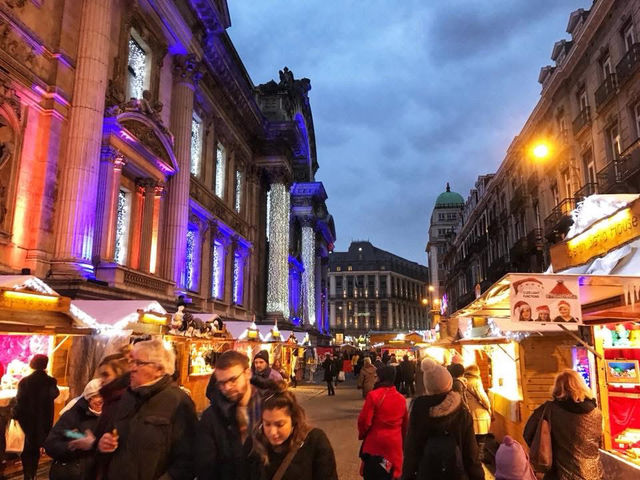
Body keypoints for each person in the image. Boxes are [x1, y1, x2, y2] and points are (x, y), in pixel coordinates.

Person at [96, 339, 197, 480]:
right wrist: (103, 444)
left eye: (139, 363)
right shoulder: (128, 396)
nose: (132, 368)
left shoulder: (178, 402)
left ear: (159, 369)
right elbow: (112, 437)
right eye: (132, 362)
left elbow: (187, 459)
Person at [402, 362, 484, 480]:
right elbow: (471, 456)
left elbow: (411, 452)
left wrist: (407, 476)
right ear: (448, 383)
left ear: (428, 387)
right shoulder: (461, 412)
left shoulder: (418, 411)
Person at [523, 369, 603, 479]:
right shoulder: (596, 413)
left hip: (559, 474)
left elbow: (528, 433)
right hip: (593, 474)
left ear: (558, 388)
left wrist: (547, 448)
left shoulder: (549, 410)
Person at [197, 350, 265, 480]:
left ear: (247, 374)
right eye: (222, 383)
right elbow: (206, 469)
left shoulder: (269, 408)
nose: (227, 387)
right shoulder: (211, 418)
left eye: (233, 379)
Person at [247, 387, 337, 480]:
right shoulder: (254, 444)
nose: (273, 432)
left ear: (293, 420)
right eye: (267, 424)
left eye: (279, 425)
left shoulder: (315, 441)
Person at [44, 379, 103, 480]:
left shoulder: (111, 416)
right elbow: (51, 444)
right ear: (88, 398)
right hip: (74, 473)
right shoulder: (73, 415)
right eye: (97, 397)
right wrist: (72, 446)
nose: (101, 401)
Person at [14, 354, 59, 480]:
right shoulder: (51, 381)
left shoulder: (25, 382)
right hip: (43, 421)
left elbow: (19, 401)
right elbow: (55, 394)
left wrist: (14, 415)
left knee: (27, 451)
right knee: (36, 449)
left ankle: (28, 475)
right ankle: (33, 474)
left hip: (27, 421)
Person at [358, 366, 408, 479]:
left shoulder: (373, 395)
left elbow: (364, 421)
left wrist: (363, 434)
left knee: (376, 472)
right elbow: (405, 424)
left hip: (377, 445)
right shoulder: (401, 398)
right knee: (391, 473)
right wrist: (403, 442)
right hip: (394, 445)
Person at [91, 353, 131, 479]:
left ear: (120, 375)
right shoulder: (110, 401)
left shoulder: (122, 403)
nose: (102, 380)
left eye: (106, 375)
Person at [464, 365, 492, 459]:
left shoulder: (463, 381)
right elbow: (482, 397)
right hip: (479, 415)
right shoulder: (476, 382)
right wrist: (488, 407)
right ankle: (480, 455)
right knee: (481, 437)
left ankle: (472, 455)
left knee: (472, 437)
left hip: (469, 414)